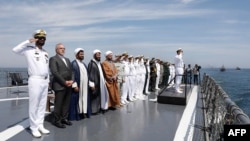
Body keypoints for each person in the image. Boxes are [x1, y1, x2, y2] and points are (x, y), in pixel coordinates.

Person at [12, 29, 50, 138]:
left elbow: (46, 68)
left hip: (44, 80)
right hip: (35, 80)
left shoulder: (45, 52)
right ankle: (34, 127)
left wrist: (48, 81)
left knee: (42, 104)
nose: (42, 39)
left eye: (43, 38)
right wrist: (28, 41)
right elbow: (15, 50)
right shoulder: (28, 50)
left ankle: (40, 125)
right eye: (39, 37)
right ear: (36, 38)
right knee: (34, 104)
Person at [49, 43, 73, 128]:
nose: (63, 50)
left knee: (66, 103)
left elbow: (72, 71)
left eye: (64, 48)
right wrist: (64, 82)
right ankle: (57, 120)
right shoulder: (53, 59)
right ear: (56, 50)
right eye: (60, 48)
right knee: (58, 104)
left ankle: (64, 118)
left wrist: (72, 80)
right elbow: (55, 72)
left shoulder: (67, 59)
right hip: (59, 85)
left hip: (69, 85)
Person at [69, 48, 92, 121]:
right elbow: (72, 75)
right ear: (76, 55)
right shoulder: (73, 64)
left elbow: (88, 75)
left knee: (84, 99)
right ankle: (78, 114)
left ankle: (84, 112)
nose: (82, 55)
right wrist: (74, 85)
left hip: (85, 86)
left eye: (83, 54)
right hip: (78, 85)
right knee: (78, 100)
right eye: (81, 54)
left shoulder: (84, 64)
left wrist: (90, 84)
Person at [88, 49, 109, 114]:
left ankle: (101, 107)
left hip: (101, 83)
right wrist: (91, 84)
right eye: (97, 55)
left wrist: (104, 80)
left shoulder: (99, 63)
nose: (99, 56)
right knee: (95, 97)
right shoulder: (92, 64)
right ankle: (94, 110)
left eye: (99, 55)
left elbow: (102, 73)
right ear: (94, 55)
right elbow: (90, 75)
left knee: (101, 96)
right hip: (95, 84)